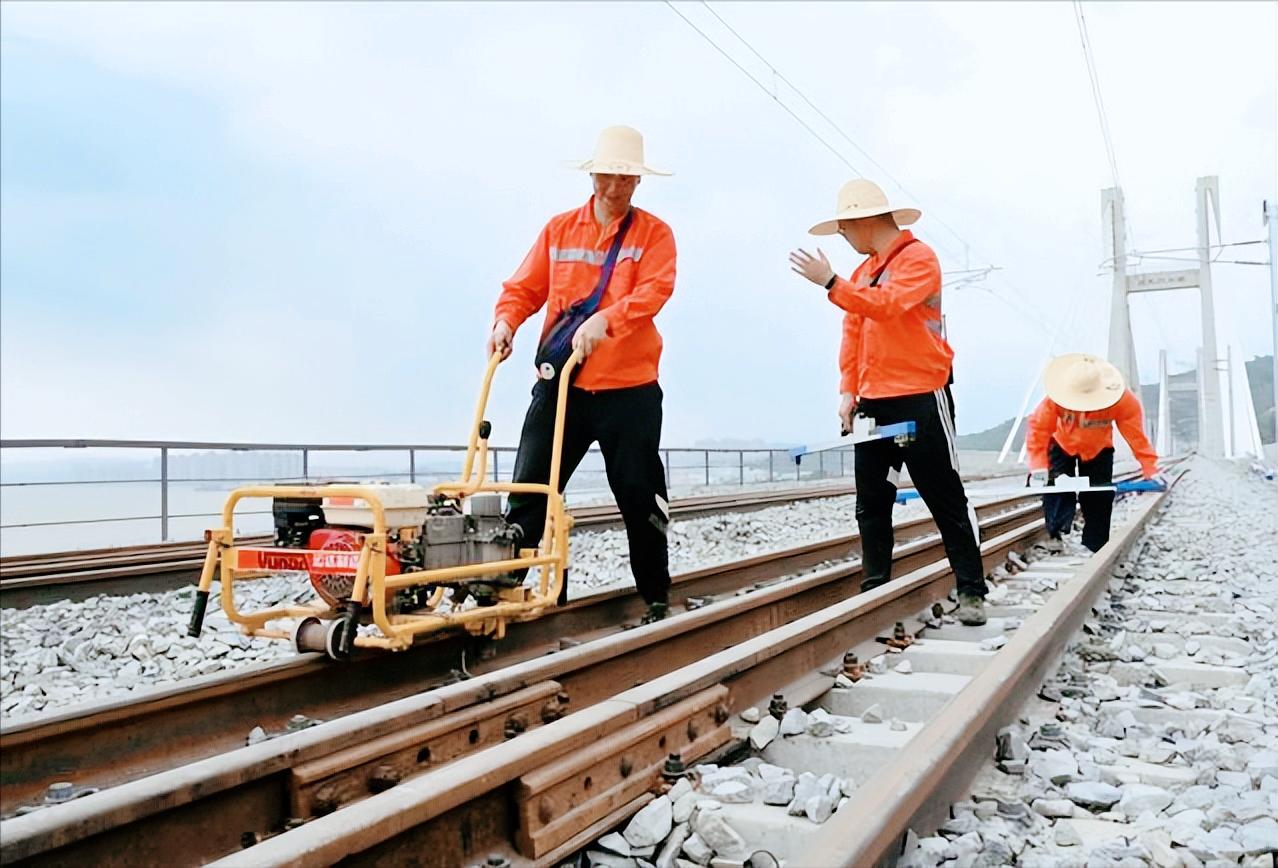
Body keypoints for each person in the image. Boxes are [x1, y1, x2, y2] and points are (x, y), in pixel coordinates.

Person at [487, 125, 676, 623]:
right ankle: (510, 587)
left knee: (638, 493)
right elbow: (524, 287)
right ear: (592, 175)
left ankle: (656, 593)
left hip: (629, 389)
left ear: (638, 182)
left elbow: (656, 290)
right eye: (606, 178)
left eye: (625, 180)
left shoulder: (654, 234)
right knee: (531, 490)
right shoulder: (559, 230)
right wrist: (505, 321)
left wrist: (606, 319)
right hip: (561, 385)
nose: (614, 189)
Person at [789, 179, 989, 626]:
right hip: (873, 400)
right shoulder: (862, 274)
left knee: (944, 495)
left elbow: (889, 305)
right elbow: (854, 335)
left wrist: (830, 283)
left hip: (920, 394)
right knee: (871, 501)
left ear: (863, 222)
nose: (843, 237)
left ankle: (972, 589)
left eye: (844, 229)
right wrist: (847, 391)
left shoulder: (919, 259)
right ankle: (874, 586)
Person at [1026, 353, 1161, 553]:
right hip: (1063, 444)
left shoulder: (1122, 401)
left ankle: (1095, 543)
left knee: (1099, 496)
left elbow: (1137, 437)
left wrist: (1151, 468)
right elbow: (1038, 431)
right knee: (1056, 490)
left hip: (1099, 449)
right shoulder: (1053, 401)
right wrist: (1038, 467)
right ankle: (1055, 534)